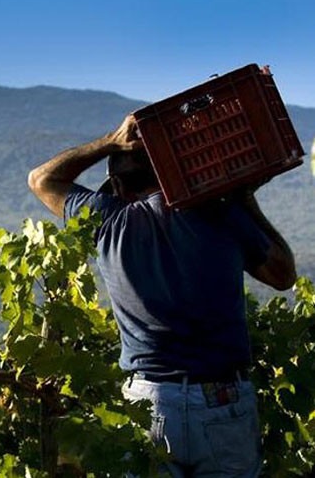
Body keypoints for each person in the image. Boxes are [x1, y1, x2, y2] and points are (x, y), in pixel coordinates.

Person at [27, 114, 297, 477]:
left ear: (119, 186)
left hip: (149, 404)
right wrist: (243, 199)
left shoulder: (106, 221)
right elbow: (283, 276)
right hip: (223, 400)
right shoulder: (220, 214)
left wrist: (110, 141)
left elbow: (41, 179)